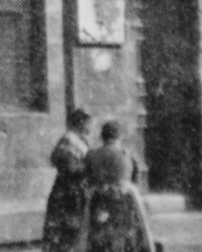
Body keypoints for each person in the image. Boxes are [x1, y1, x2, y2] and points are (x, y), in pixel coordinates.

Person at [83, 121, 153, 252]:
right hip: (123, 201)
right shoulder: (128, 155)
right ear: (120, 136)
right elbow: (135, 180)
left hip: (99, 201)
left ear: (102, 137)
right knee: (127, 238)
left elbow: (87, 178)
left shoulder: (91, 155)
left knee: (97, 237)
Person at [42, 108, 93, 252]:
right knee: (66, 235)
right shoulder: (69, 140)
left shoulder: (80, 140)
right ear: (81, 123)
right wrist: (88, 169)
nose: (91, 127)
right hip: (68, 194)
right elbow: (69, 168)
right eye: (89, 123)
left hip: (75, 193)